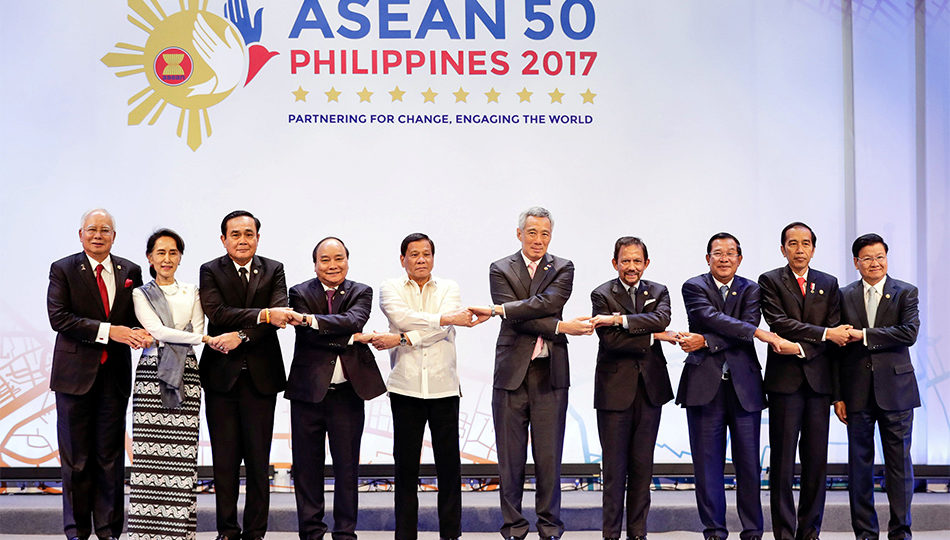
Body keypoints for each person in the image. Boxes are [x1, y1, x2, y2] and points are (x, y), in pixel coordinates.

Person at [470, 206, 593, 540]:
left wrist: (500, 310)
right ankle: (513, 527)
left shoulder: (563, 267)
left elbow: (547, 305)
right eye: (532, 232)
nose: (538, 240)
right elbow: (519, 320)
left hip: (549, 373)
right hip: (512, 372)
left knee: (549, 457)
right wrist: (559, 326)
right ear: (519, 234)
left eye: (545, 234)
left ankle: (549, 526)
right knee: (510, 458)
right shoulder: (500, 268)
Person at [47, 208, 150, 540]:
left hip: (114, 377)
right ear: (81, 234)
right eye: (92, 229)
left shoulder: (130, 270)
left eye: (105, 230)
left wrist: (142, 332)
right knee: (76, 460)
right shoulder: (63, 269)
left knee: (110, 458)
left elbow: (136, 318)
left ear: (114, 236)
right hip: (74, 378)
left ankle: (108, 531)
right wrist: (109, 331)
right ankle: (77, 531)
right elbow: (59, 318)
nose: (98, 235)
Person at [373, 233, 484, 540]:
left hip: (443, 387)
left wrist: (402, 338)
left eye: (426, 254)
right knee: (405, 468)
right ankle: (405, 535)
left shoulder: (449, 287)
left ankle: (451, 534)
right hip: (405, 388)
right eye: (414, 254)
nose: (421, 259)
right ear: (402, 259)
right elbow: (402, 317)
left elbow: (441, 329)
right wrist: (442, 319)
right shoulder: (390, 287)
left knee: (449, 468)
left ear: (433, 258)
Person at [675, 232, 783, 540]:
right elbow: (709, 317)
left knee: (748, 464)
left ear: (739, 258)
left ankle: (753, 532)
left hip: (744, 388)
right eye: (718, 253)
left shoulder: (752, 289)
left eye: (730, 253)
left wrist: (706, 341)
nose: (724, 259)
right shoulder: (694, 286)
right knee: (707, 466)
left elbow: (743, 327)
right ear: (707, 258)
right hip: (703, 386)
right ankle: (714, 531)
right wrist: (754, 333)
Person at [199, 210, 296, 540]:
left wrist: (241, 335)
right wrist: (265, 314)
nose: (242, 240)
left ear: (257, 237)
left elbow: (280, 319)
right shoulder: (210, 270)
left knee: (258, 460)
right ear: (223, 239)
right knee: (224, 461)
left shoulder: (274, 269)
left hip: (261, 378)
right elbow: (218, 313)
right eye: (235, 234)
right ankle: (227, 529)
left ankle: (256, 531)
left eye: (249, 234)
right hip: (220, 378)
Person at [286, 237, 386, 540]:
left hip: (348, 394)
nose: (333, 265)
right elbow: (310, 336)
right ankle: (311, 532)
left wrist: (314, 322)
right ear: (315, 264)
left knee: (347, 468)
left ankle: (345, 533)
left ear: (347, 260)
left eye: (339, 258)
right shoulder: (299, 292)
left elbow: (354, 319)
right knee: (306, 468)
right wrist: (353, 338)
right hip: (308, 394)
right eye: (325, 260)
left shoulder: (361, 291)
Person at [128, 229, 225, 540]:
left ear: (180, 257)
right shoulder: (141, 293)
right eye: (160, 253)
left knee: (182, 459)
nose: (167, 259)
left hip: (188, 373)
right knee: (149, 458)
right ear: (150, 258)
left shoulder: (192, 291)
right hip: (151, 374)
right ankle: (147, 533)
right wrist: (197, 337)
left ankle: (179, 532)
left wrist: (191, 336)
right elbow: (157, 330)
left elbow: (196, 330)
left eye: (173, 252)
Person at [758, 222, 851, 540]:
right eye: (793, 243)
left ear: (813, 248)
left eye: (805, 243)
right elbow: (780, 323)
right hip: (784, 384)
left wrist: (802, 348)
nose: (800, 249)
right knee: (782, 463)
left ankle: (810, 532)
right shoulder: (770, 280)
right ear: (782, 248)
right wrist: (823, 335)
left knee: (816, 463)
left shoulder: (828, 283)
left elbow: (836, 333)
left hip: (819, 385)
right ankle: (784, 533)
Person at [588, 237, 678, 540]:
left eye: (637, 261)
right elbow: (611, 341)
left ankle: (638, 532)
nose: (631, 267)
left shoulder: (659, 291)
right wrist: (655, 337)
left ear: (646, 263)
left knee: (642, 467)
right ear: (615, 263)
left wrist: (619, 319)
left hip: (650, 389)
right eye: (625, 261)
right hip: (614, 392)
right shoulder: (601, 294)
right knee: (614, 469)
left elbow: (661, 318)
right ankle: (611, 534)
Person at [833, 233, 920, 540]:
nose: (875, 263)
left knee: (899, 466)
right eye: (867, 258)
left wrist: (865, 335)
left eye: (880, 257)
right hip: (855, 392)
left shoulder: (905, 292)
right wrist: (838, 395)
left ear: (887, 258)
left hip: (897, 391)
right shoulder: (842, 295)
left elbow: (909, 333)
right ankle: (865, 534)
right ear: (856, 262)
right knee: (859, 467)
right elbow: (835, 350)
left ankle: (901, 532)